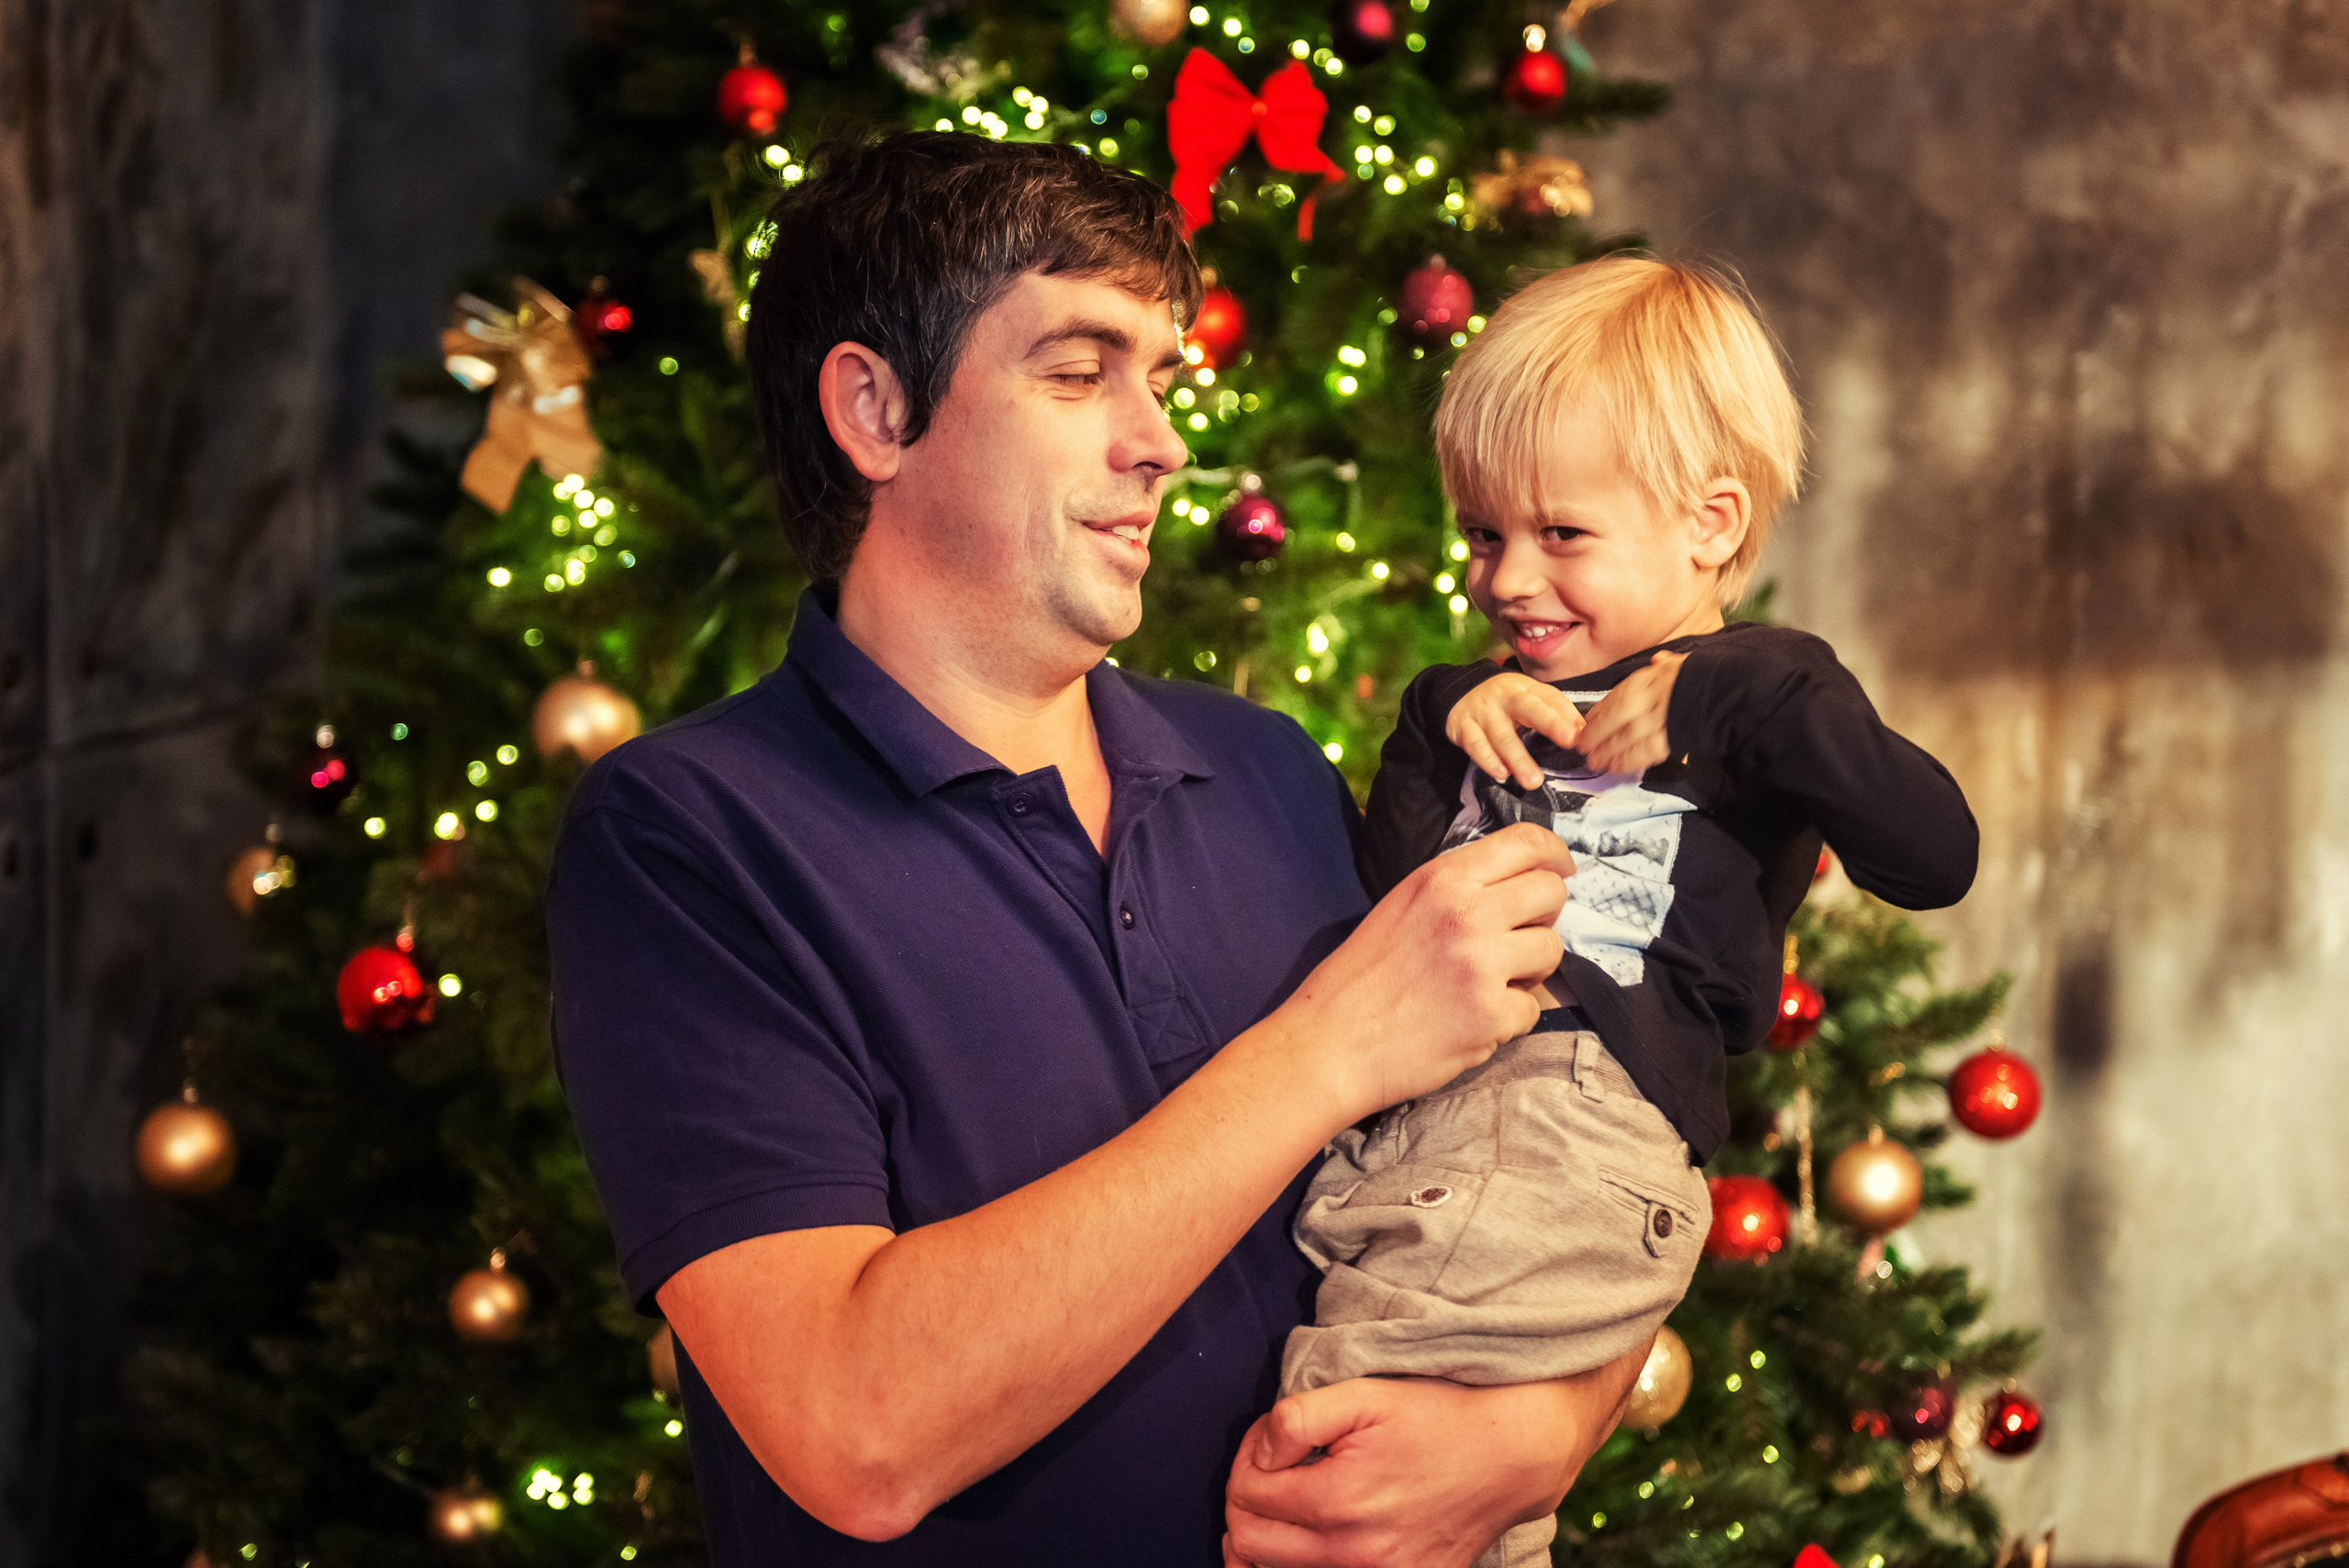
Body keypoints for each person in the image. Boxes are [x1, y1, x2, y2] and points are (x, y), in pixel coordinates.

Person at [544, 130, 1642, 1568]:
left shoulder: (1266, 770)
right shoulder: (688, 839)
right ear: (874, 410)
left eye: (1162, 377)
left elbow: (1576, 1163)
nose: (1163, 440)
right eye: (1078, 370)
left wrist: (1545, 1429)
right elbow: (854, 1429)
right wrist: (1324, 1048)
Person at [1286, 257, 1979, 1568]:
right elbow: (1385, 908)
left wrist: (1723, 699)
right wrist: (1437, 727)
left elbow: (1934, 852)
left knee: (1342, 1448)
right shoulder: (1482, 698)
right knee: (1455, 1513)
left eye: (1562, 534)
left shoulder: (1765, 695)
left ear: (1711, 525)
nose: (1508, 578)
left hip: (1565, 1111)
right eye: (1484, 535)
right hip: (1414, 1113)